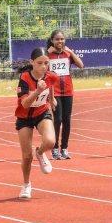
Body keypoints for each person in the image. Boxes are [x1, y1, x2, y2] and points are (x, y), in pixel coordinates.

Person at [14, 47, 61, 199]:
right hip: (25, 117)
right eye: (40, 63)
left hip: (42, 112)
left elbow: (51, 84)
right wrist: (37, 92)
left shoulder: (50, 76)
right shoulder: (25, 79)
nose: (43, 67)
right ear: (32, 62)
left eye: (46, 63)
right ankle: (26, 185)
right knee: (27, 156)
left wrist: (52, 98)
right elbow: (25, 104)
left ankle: (40, 152)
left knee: (50, 142)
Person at [46, 29, 84, 161]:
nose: (60, 42)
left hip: (68, 91)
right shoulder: (48, 55)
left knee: (67, 120)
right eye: (57, 39)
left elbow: (81, 65)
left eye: (62, 39)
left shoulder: (67, 54)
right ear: (52, 41)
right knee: (57, 119)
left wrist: (72, 52)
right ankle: (54, 148)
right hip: (54, 92)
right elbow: (35, 64)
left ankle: (64, 148)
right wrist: (46, 53)